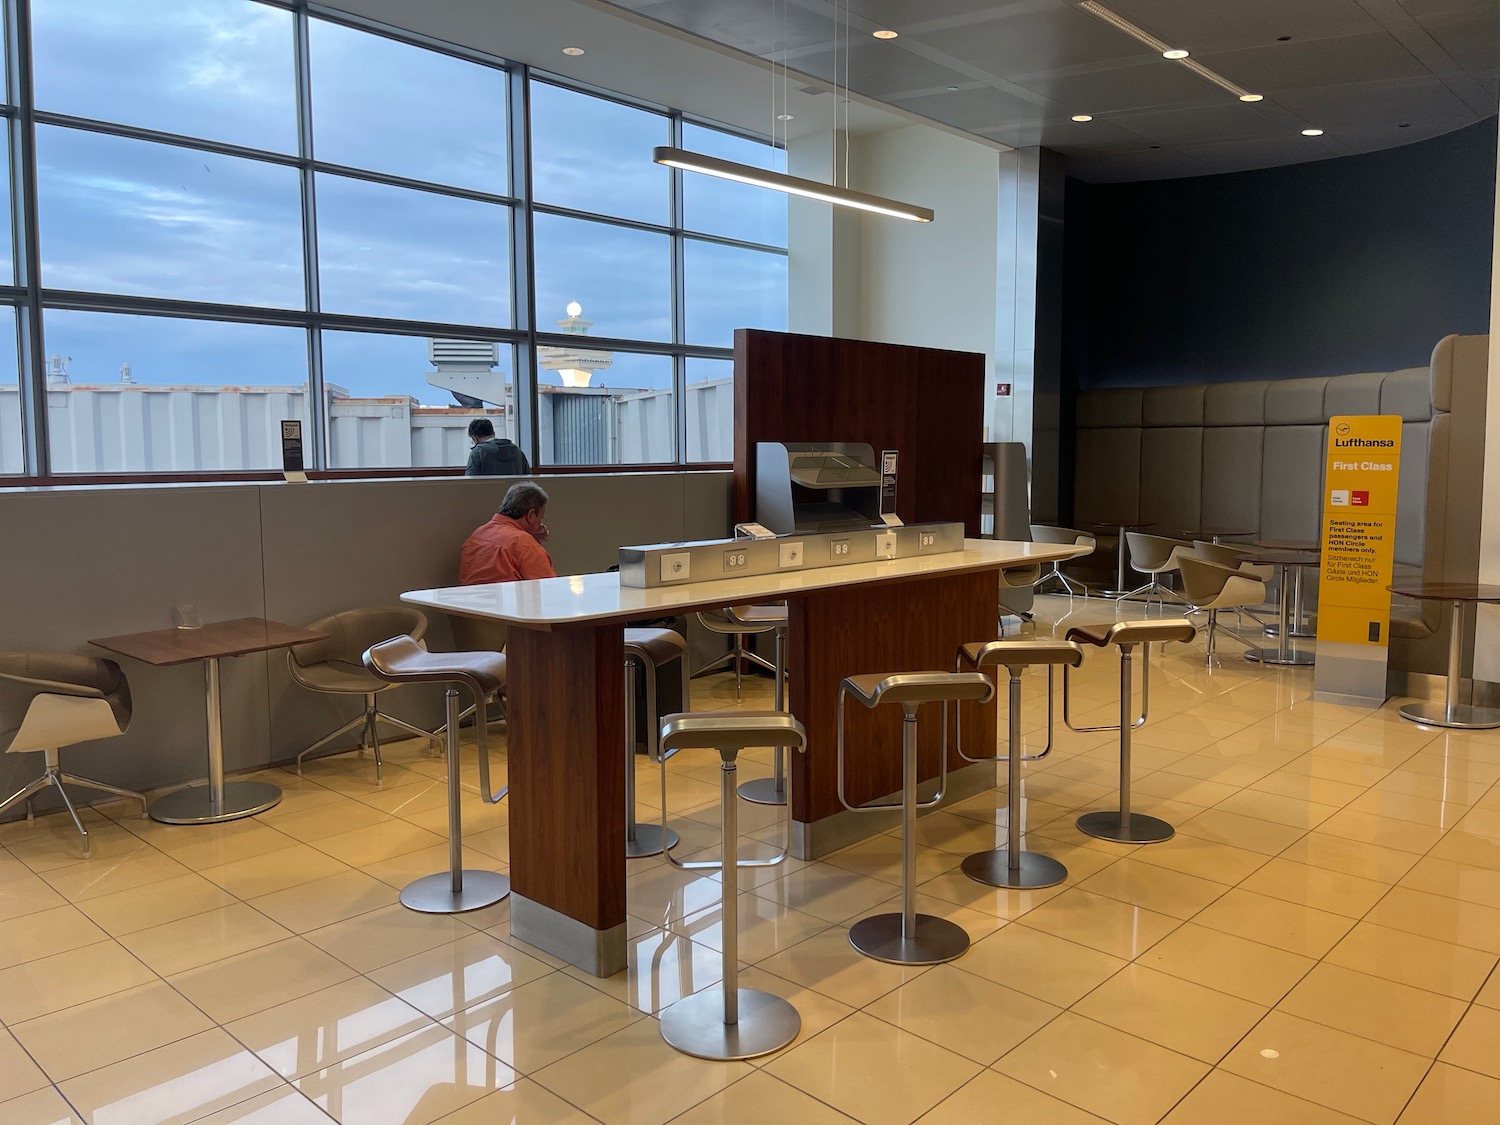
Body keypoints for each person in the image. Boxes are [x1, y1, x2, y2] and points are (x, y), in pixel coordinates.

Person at [459, 481, 556, 584]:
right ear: (531, 514)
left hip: (469, 599)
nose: (540, 525)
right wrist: (533, 545)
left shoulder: (478, 535)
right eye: (540, 519)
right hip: (510, 600)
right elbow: (548, 588)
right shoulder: (524, 544)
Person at [464, 417, 531, 477]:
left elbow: (470, 482)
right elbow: (529, 478)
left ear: (474, 438)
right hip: (515, 490)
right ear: (493, 433)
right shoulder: (517, 451)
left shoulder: (477, 453)